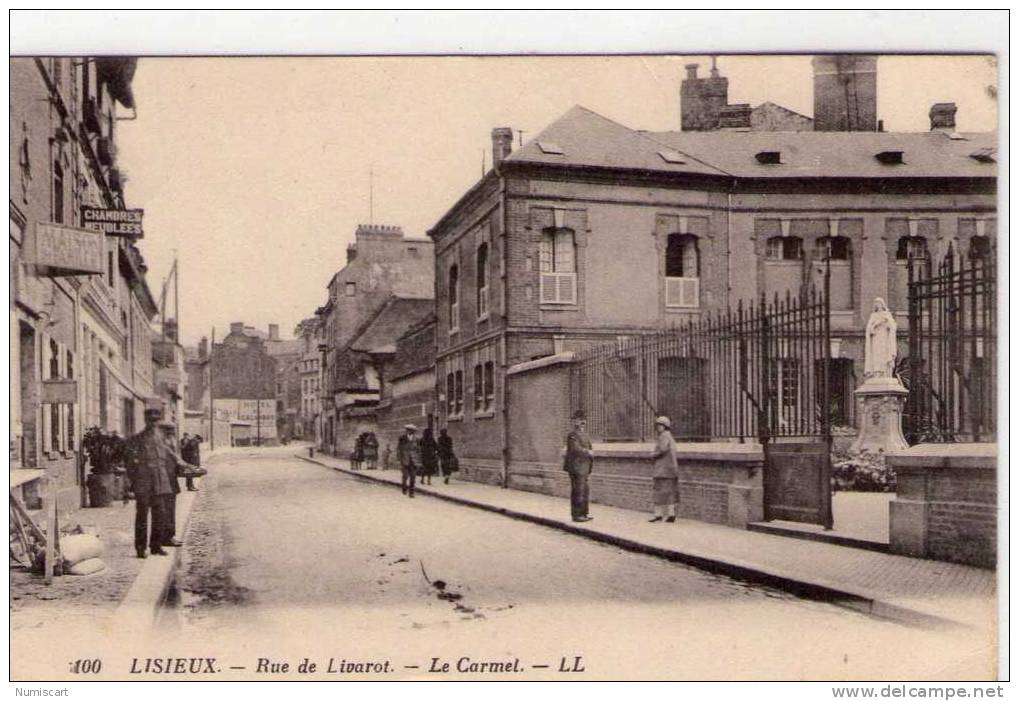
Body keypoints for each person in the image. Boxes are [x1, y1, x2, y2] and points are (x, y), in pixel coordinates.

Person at [124, 409, 175, 558]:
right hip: (143, 483)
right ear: (145, 420)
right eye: (150, 419)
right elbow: (130, 464)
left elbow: (167, 460)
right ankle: (140, 548)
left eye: (156, 420)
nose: (153, 422)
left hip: (160, 483)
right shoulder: (136, 439)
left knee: (160, 515)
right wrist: (132, 482)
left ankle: (156, 546)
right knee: (142, 516)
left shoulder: (161, 439)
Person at [563, 410, 594, 522]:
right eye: (580, 420)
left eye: (584, 420)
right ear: (574, 422)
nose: (582, 422)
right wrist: (588, 452)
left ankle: (584, 513)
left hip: (585, 467)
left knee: (585, 490)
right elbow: (575, 449)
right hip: (576, 467)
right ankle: (576, 515)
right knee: (578, 490)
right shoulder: (572, 435)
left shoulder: (585, 434)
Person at [159, 421, 184, 548]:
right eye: (170, 431)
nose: (172, 434)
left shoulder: (169, 443)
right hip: (164, 482)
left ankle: (169, 536)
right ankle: (166, 538)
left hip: (170, 480)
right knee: (166, 510)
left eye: (173, 431)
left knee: (169, 510)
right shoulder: (162, 444)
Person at [649, 416, 679, 523]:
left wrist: (653, 454)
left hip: (663, 470)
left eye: (660, 425)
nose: (657, 427)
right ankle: (671, 514)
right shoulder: (669, 436)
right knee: (669, 492)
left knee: (658, 492)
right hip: (670, 469)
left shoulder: (664, 436)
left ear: (665, 426)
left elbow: (662, 449)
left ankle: (659, 515)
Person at [397, 424, 422, 498]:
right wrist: (399, 459)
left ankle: (411, 492)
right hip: (405, 459)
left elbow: (418, 450)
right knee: (405, 476)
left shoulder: (417, 439)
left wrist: (419, 460)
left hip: (414, 460)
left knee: (413, 477)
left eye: (412, 430)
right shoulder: (402, 438)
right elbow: (399, 449)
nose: (409, 431)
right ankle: (404, 487)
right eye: (408, 430)